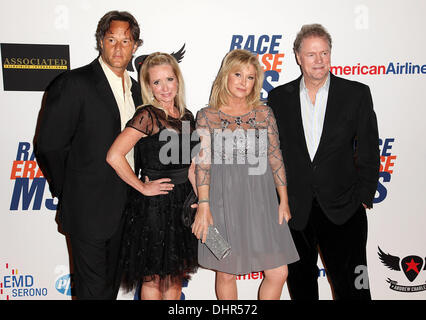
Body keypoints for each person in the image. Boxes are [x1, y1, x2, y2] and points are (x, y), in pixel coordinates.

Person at [35, 11, 143, 299]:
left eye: (126, 41)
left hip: (127, 208)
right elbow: (49, 146)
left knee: (108, 289)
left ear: (135, 46)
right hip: (87, 209)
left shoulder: (138, 90)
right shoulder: (74, 83)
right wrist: (70, 190)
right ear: (100, 41)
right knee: (91, 291)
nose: (119, 48)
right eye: (111, 40)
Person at [268, 24, 380, 300]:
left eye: (324, 53)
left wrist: (364, 195)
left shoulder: (356, 93)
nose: (319, 60)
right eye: (311, 54)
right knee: (302, 288)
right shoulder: (279, 98)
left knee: (355, 288)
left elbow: (368, 147)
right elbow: (274, 152)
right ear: (297, 57)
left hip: (344, 208)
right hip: (295, 210)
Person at [192, 49, 299, 300]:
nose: (243, 82)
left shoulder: (264, 113)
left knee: (278, 272)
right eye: (238, 74)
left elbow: (275, 157)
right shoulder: (207, 115)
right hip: (219, 202)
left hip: (262, 201)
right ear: (226, 76)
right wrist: (204, 206)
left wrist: (283, 199)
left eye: (250, 77)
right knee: (226, 272)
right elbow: (203, 164)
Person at [106, 52, 199, 300]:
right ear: (148, 86)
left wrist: (201, 199)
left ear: (178, 80)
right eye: (156, 82)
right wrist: (142, 187)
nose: (165, 88)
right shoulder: (147, 115)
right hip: (154, 208)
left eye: (169, 79)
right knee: (154, 279)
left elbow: (192, 166)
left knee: (175, 278)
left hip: (183, 206)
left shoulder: (187, 116)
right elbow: (114, 155)